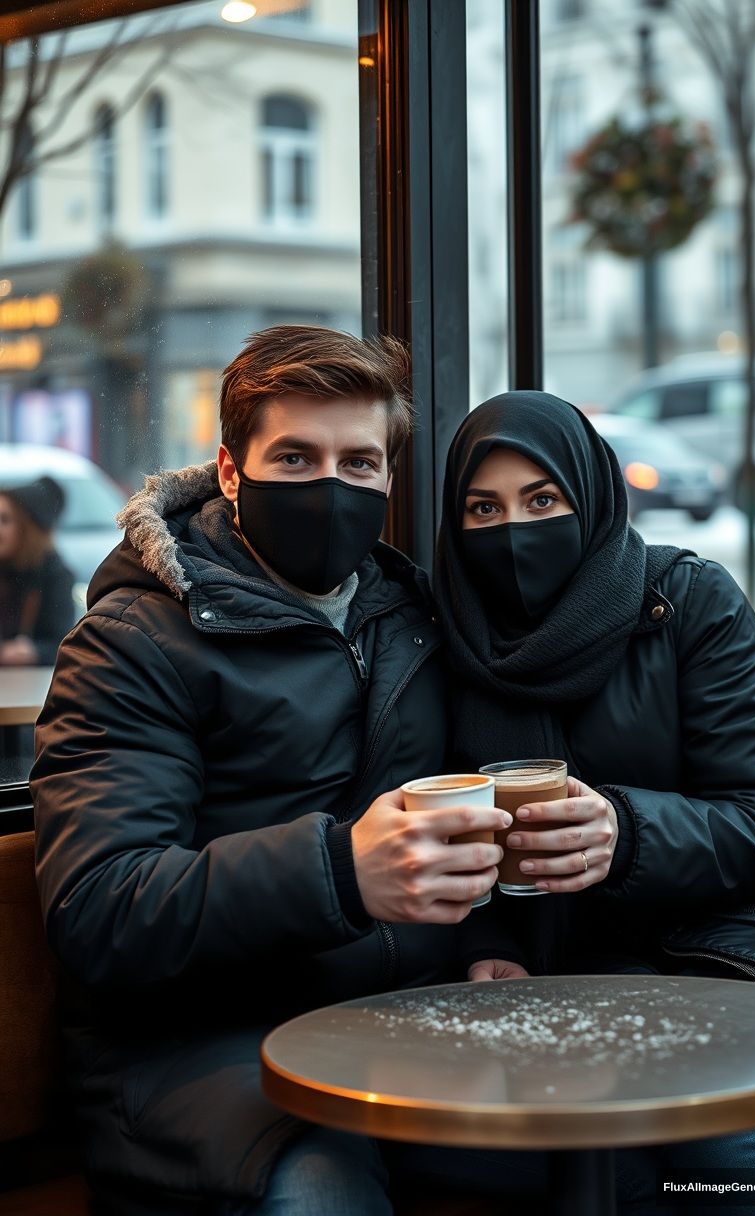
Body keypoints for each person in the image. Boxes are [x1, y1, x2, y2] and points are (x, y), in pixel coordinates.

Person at [31, 326, 509, 1216]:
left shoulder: (407, 613)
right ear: (227, 469)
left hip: (398, 1023)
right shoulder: (132, 642)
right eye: (294, 456)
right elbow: (101, 906)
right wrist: (337, 871)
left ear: (389, 480)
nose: (330, 487)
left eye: (359, 462)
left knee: (671, 1158)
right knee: (319, 1187)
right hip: (194, 1054)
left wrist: (490, 944)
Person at [432, 390, 755, 1214]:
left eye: (543, 500)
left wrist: (628, 830)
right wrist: (487, 939)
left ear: (594, 496)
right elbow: (423, 830)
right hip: (547, 982)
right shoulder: (434, 633)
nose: (514, 531)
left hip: (720, 951)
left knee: (715, 1147)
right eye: (484, 508)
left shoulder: (686, 601)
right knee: (616, 1172)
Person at [0, 475, 75, 666]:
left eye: (5, 520)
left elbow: (64, 644)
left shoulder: (54, 575)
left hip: (31, 687)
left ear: (27, 528)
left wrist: (34, 652)